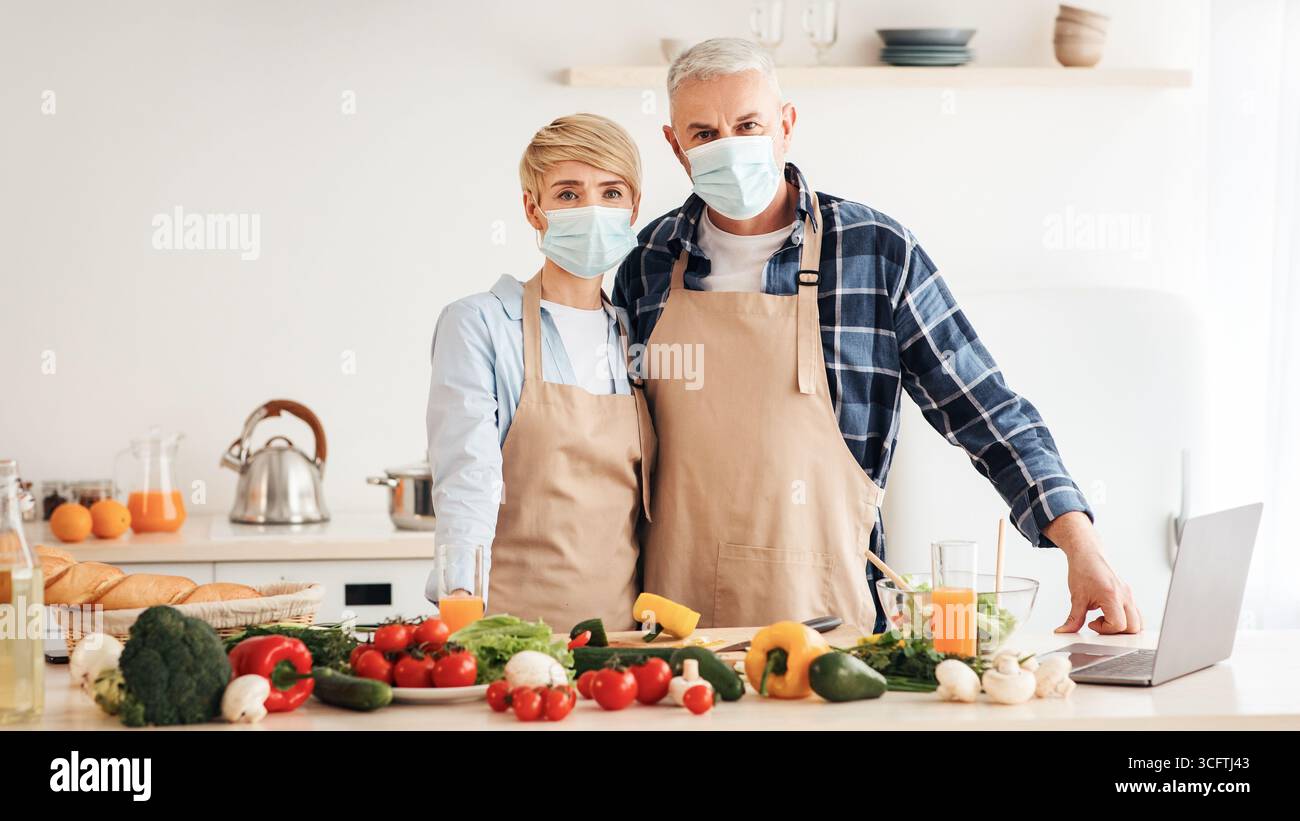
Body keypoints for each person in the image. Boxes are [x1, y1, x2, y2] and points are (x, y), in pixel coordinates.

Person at [614, 38, 1141, 636]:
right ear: (674, 145)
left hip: (830, 629)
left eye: (748, 125)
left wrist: (1083, 548)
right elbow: (613, 454)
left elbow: (985, 410)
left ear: (785, 126)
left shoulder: (873, 251)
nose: (729, 147)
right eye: (705, 134)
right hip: (674, 631)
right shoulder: (647, 264)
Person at [426, 113, 654, 630]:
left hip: (619, 644)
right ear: (534, 209)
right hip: (511, 636)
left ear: (633, 208)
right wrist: (461, 606)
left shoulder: (635, 334)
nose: (592, 208)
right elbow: (468, 475)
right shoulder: (480, 324)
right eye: (569, 194)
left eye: (611, 192)